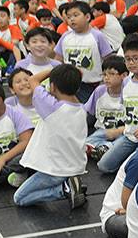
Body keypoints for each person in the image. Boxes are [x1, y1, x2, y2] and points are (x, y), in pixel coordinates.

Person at [12, 64, 90, 210]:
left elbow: (33, 80)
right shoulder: (81, 108)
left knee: (19, 198)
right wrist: (67, 72)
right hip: (75, 167)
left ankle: (64, 190)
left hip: (55, 171)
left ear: (53, 87)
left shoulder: (51, 106)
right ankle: (71, 186)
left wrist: (54, 71)